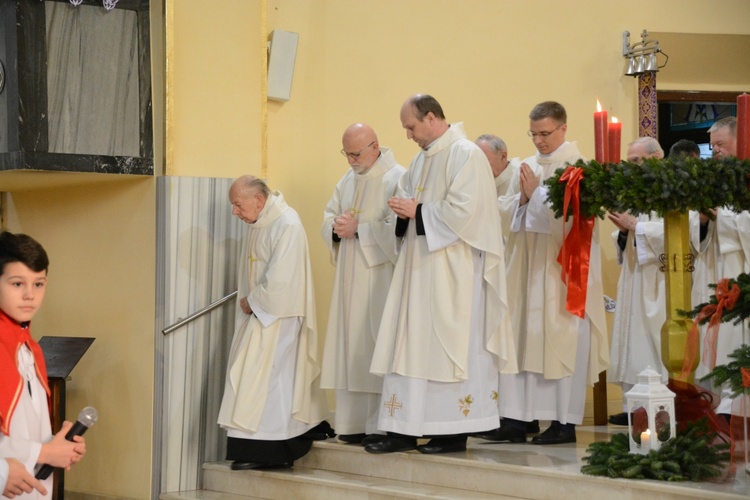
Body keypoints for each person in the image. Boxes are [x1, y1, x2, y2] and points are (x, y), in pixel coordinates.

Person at [366, 94, 515, 455]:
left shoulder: (466, 155)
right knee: (410, 346)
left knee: (448, 348)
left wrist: (418, 211)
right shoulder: (420, 160)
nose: (408, 135)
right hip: (417, 270)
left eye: (411, 127)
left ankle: (452, 432)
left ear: (431, 118)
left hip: (453, 273)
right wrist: (402, 214)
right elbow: (409, 205)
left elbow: (468, 213)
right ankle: (402, 428)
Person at [488, 101, 608, 445]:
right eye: (534, 133)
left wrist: (535, 196)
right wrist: (524, 201)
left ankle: (562, 422)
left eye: (545, 133)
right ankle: (516, 420)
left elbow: (576, 221)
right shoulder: (524, 166)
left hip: (562, 272)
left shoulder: (580, 168)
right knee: (521, 336)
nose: (539, 141)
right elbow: (503, 210)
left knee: (560, 339)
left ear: (563, 129)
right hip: (526, 270)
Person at [217, 176, 331, 470]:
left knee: (269, 382)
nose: (235, 213)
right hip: (260, 314)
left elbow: (283, 279)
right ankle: (255, 448)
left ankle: (274, 451)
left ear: (258, 199)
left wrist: (254, 302)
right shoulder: (260, 223)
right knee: (255, 379)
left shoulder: (287, 224)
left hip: (279, 318)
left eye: (237, 205)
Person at [320, 123, 406, 445]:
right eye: (346, 154)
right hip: (348, 279)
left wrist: (360, 230)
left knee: (373, 346)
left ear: (375, 145)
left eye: (356, 153)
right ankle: (351, 423)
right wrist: (335, 226)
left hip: (379, 280)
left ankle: (378, 426)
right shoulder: (347, 179)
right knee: (349, 347)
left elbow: (398, 231)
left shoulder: (398, 177)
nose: (351, 161)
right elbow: (328, 215)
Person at [0, 231, 86, 499]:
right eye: (17, 284)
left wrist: (58, 447)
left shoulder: (29, 349)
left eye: (38, 284)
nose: (29, 295)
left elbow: (21, 427)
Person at [606, 138, 668, 426]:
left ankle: (657, 405)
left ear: (657, 157)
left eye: (636, 161)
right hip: (633, 276)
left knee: (649, 337)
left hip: (656, 278)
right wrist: (624, 232)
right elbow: (630, 235)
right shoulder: (636, 191)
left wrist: (638, 227)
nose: (631, 167)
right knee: (630, 337)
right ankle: (634, 404)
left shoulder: (671, 189)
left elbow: (680, 231)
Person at [691, 117, 749, 416]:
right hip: (716, 271)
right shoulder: (715, 180)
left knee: (737, 338)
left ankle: (737, 407)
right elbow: (700, 235)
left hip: (741, 269)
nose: (715, 153)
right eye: (712, 147)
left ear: (742, 140)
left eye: (721, 145)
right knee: (718, 339)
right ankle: (721, 405)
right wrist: (702, 219)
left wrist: (721, 215)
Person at [476, 134, 523, 240]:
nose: (479, 166)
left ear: (503, 156)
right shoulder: (476, 179)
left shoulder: (520, 177)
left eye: (484, 160)